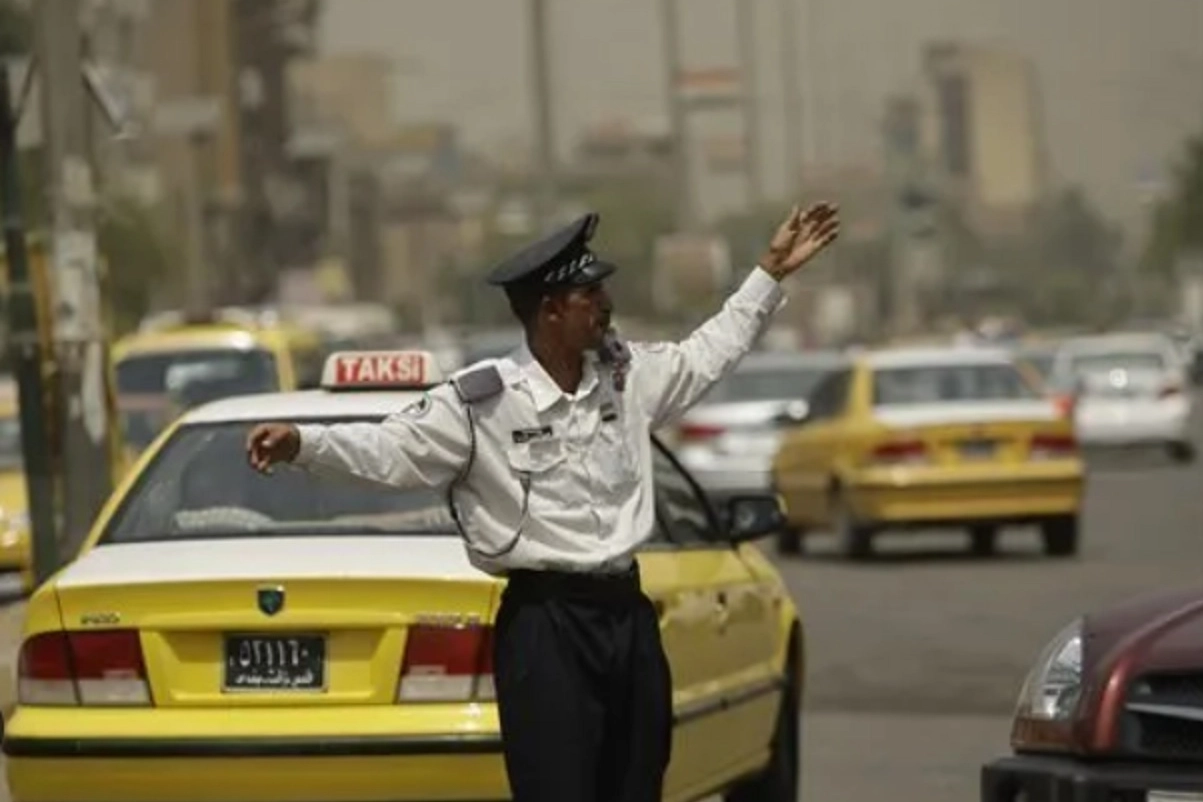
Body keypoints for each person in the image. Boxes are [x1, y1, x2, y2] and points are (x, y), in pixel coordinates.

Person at [245, 202, 840, 802]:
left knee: (638, 783)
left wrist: (768, 273)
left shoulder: (625, 376)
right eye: (591, 296)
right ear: (551, 311)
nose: (606, 307)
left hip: (626, 618)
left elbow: (707, 354)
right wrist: (303, 443)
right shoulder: (483, 403)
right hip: (547, 629)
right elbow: (389, 450)